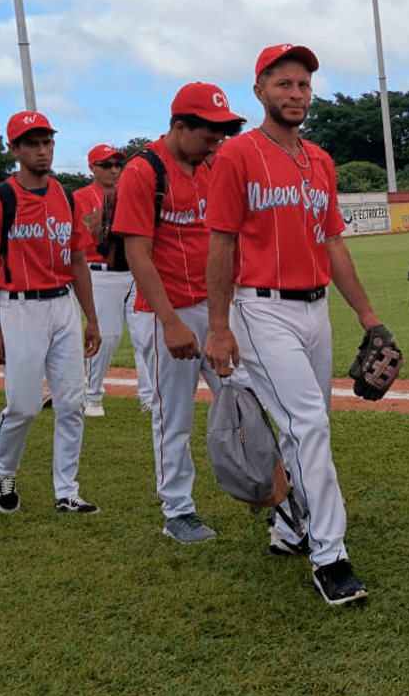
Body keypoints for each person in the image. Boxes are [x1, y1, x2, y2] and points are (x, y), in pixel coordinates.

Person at [205, 43, 388, 605]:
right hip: (260, 308)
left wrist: (367, 314)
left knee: (307, 424)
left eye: (304, 84)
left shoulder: (321, 161)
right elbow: (221, 245)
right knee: (308, 426)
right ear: (259, 90)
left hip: (313, 309)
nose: (296, 94)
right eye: (283, 83)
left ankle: (288, 527)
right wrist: (218, 326)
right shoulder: (237, 155)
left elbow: (333, 243)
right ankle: (329, 554)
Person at [112, 83, 243, 544]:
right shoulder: (143, 171)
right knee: (174, 415)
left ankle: (266, 490)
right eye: (210, 131)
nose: (217, 141)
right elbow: (137, 252)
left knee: (244, 397)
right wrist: (170, 321)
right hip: (167, 310)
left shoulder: (212, 168)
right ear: (179, 126)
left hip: (216, 308)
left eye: (223, 132)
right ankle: (177, 510)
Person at [0, 111, 102, 515]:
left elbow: (78, 258)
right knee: (24, 405)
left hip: (62, 303)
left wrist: (91, 318)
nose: (42, 150)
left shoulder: (63, 194)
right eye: (32, 143)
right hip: (19, 307)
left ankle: (67, 489)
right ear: (14, 149)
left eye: (47, 142)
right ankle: (3, 469)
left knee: (70, 403)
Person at [74, 144, 154, 418]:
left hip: (132, 273)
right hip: (99, 274)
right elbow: (85, 230)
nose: (113, 170)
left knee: (145, 336)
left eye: (116, 165)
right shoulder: (82, 196)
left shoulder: (130, 193)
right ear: (92, 168)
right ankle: (93, 396)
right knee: (107, 337)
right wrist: (109, 207)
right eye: (106, 165)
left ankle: (149, 398)